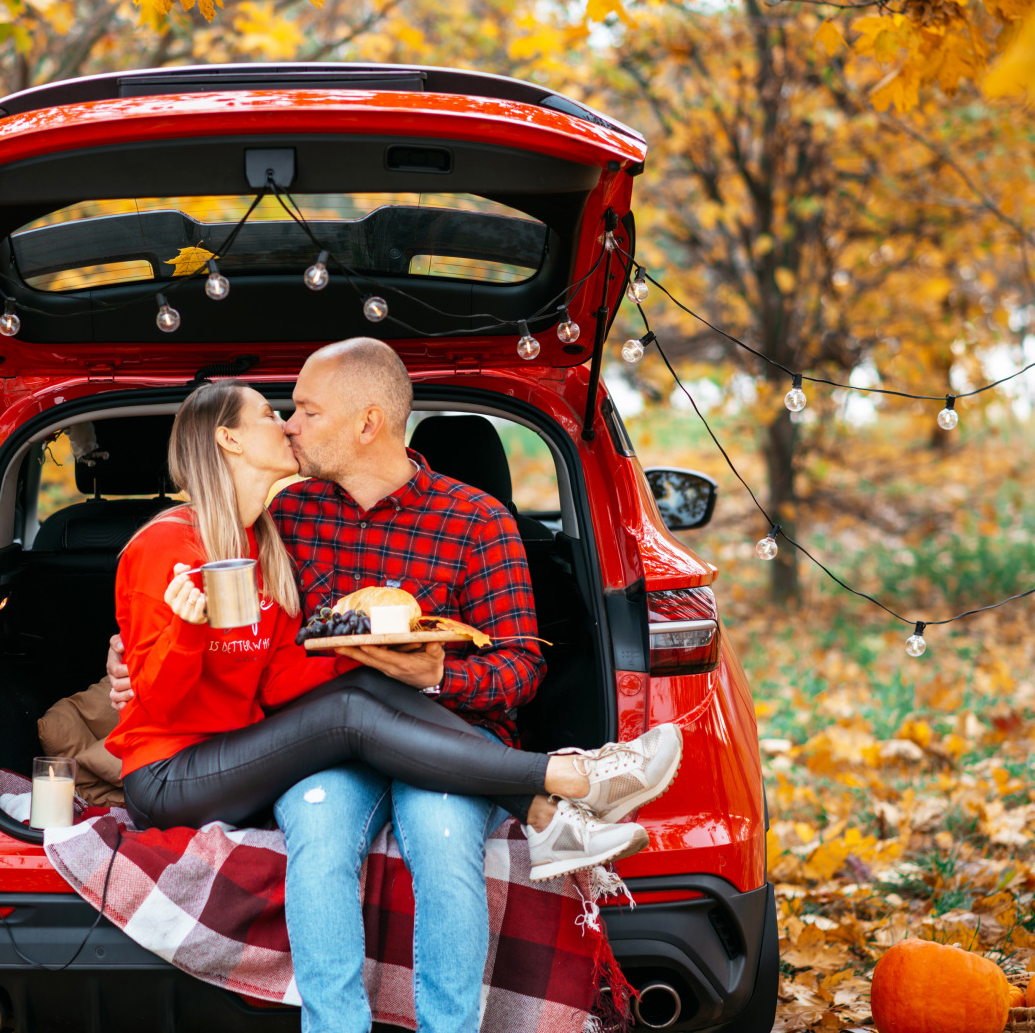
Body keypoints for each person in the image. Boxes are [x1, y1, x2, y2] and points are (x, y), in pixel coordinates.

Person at [107, 348, 682, 1033]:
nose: (290, 426)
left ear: (367, 423)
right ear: (230, 440)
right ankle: (561, 785)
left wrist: (427, 669)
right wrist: (141, 658)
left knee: (439, 836)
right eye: (279, 414)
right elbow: (183, 675)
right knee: (320, 828)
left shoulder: (469, 522)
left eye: (306, 412)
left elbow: (517, 672)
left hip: (420, 736)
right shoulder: (283, 521)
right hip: (274, 752)